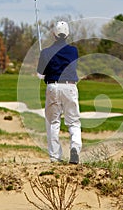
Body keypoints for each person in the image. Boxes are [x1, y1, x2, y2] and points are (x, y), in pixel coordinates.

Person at [37, 21, 81, 164]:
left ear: (53, 34)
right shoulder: (74, 51)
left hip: (53, 86)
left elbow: (40, 75)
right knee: (73, 121)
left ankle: (55, 157)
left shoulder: (46, 52)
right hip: (70, 87)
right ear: (67, 34)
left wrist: (43, 59)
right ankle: (75, 147)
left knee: (53, 122)